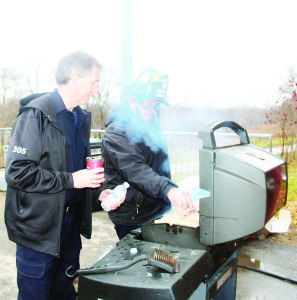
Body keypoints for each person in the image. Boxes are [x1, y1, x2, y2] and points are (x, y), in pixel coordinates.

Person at [4, 51, 116, 300]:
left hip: (69, 231)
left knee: (66, 296)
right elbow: (17, 172)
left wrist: (100, 194)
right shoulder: (36, 114)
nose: (96, 89)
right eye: (93, 82)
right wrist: (72, 180)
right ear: (74, 76)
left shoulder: (78, 117)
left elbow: (77, 173)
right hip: (39, 233)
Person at [101, 68, 193, 240]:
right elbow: (137, 170)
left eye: (157, 104)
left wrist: (172, 193)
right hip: (133, 215)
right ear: (133, 98)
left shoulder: (149, 123)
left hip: (157, 207)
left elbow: (159, 166)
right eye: (150, 104)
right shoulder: (116, 133)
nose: (153, 110)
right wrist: (168, 188)